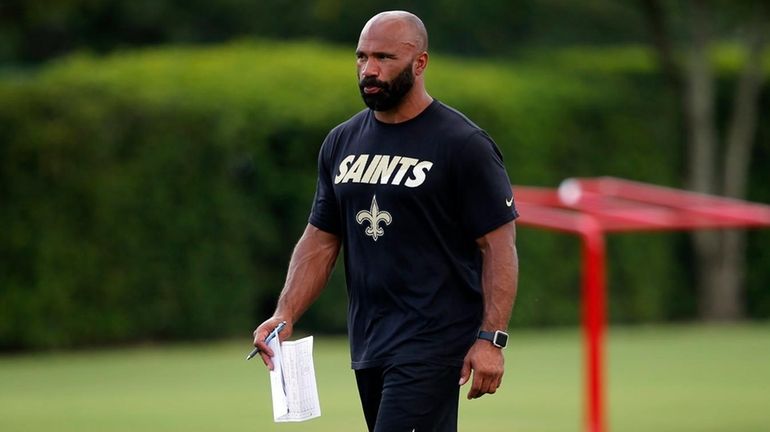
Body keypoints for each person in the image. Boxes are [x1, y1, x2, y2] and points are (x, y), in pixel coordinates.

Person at [252, 10, 519, 432]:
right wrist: (285, 313)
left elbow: (498, 245)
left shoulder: (463, 145)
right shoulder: (341, 141)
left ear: (420, 63)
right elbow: (321, 239)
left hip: (433, 342)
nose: (369, 70)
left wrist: (492, 339)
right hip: (370, 342)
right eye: (361, 58)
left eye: (383, 58)